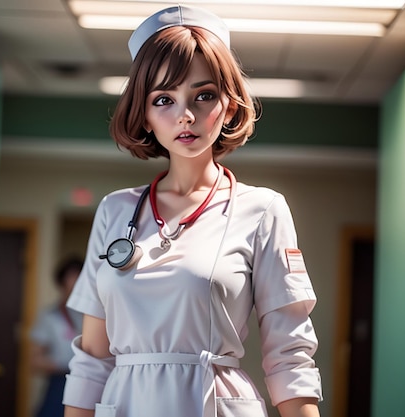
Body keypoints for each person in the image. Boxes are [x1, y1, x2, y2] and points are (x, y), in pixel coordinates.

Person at [63, 5, 322, 417]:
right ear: (144, 115)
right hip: (126, 403)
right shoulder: (115, 210)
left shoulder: (263, 210)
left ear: (230, 106)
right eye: (163, 99)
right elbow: (93, 355)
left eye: (203, 95)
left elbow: (289, 355)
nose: (185, 115)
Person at [30, 256, 84, 417]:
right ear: (61, 282)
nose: (75, 283)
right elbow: (34, 360)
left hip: (90, 382)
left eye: (79, 277)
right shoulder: (50, 316)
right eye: (71, 278)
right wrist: (67, 365)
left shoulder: (93, 315)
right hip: (59, 384)